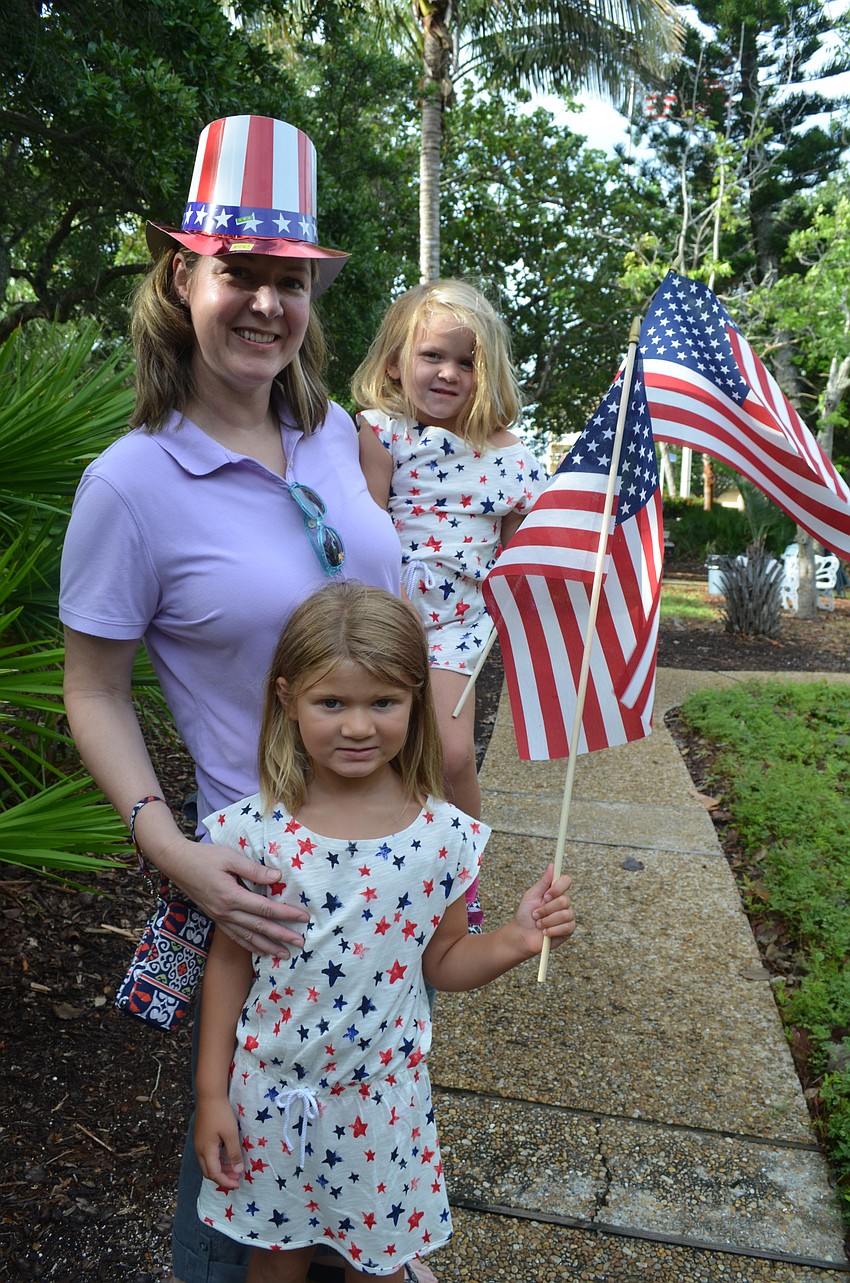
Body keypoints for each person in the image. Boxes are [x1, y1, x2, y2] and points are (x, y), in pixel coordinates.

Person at [59, 116, 404, 1283]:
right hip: (259, 887)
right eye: (238, 274)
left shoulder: (335, 436)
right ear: (183, 280)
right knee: (247, 1176)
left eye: (289, 280)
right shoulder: (132, 482)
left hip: (384, 865)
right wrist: (174, 851)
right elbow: (94, 687)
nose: (266, 303)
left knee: (364, 1147)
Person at [194, 581, 576, 1282]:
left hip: (381, 1110)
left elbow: (446, 960)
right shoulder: (251, 832)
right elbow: (227, 964)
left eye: (383, 702)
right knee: (275, 1261)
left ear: (416, 700)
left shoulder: (442, 838)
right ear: (287, 698)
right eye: (331, 701)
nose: (358, 725)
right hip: (271, 1098)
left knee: (379, 1267)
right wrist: (211, 1094)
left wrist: (517, 939)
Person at [351, 280, 548, 852]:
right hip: (384, 615)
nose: (448, 372)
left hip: (461, 625)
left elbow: (518, 553)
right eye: (432, 355)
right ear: (394, 362)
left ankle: (463, 871)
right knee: (378, 748)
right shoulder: (381, 432)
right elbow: (368, 523)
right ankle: (389, 856)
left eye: (466, 361)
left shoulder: (510, 457)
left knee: (452, 751)